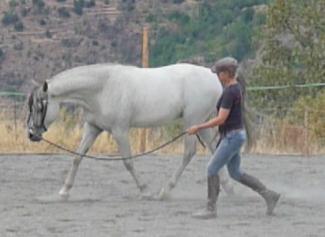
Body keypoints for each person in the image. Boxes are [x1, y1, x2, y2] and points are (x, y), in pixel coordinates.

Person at [187, 57, 280, 219]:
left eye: (220, 73)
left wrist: (198, 127)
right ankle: (269, 195)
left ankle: (211, 209)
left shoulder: (230, 92)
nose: (217, 76)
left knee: (211, 169)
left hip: (232, 137)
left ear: (227, 74)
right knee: (235, 173)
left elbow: (221, 119)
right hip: (236, 135)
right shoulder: (235, 88)